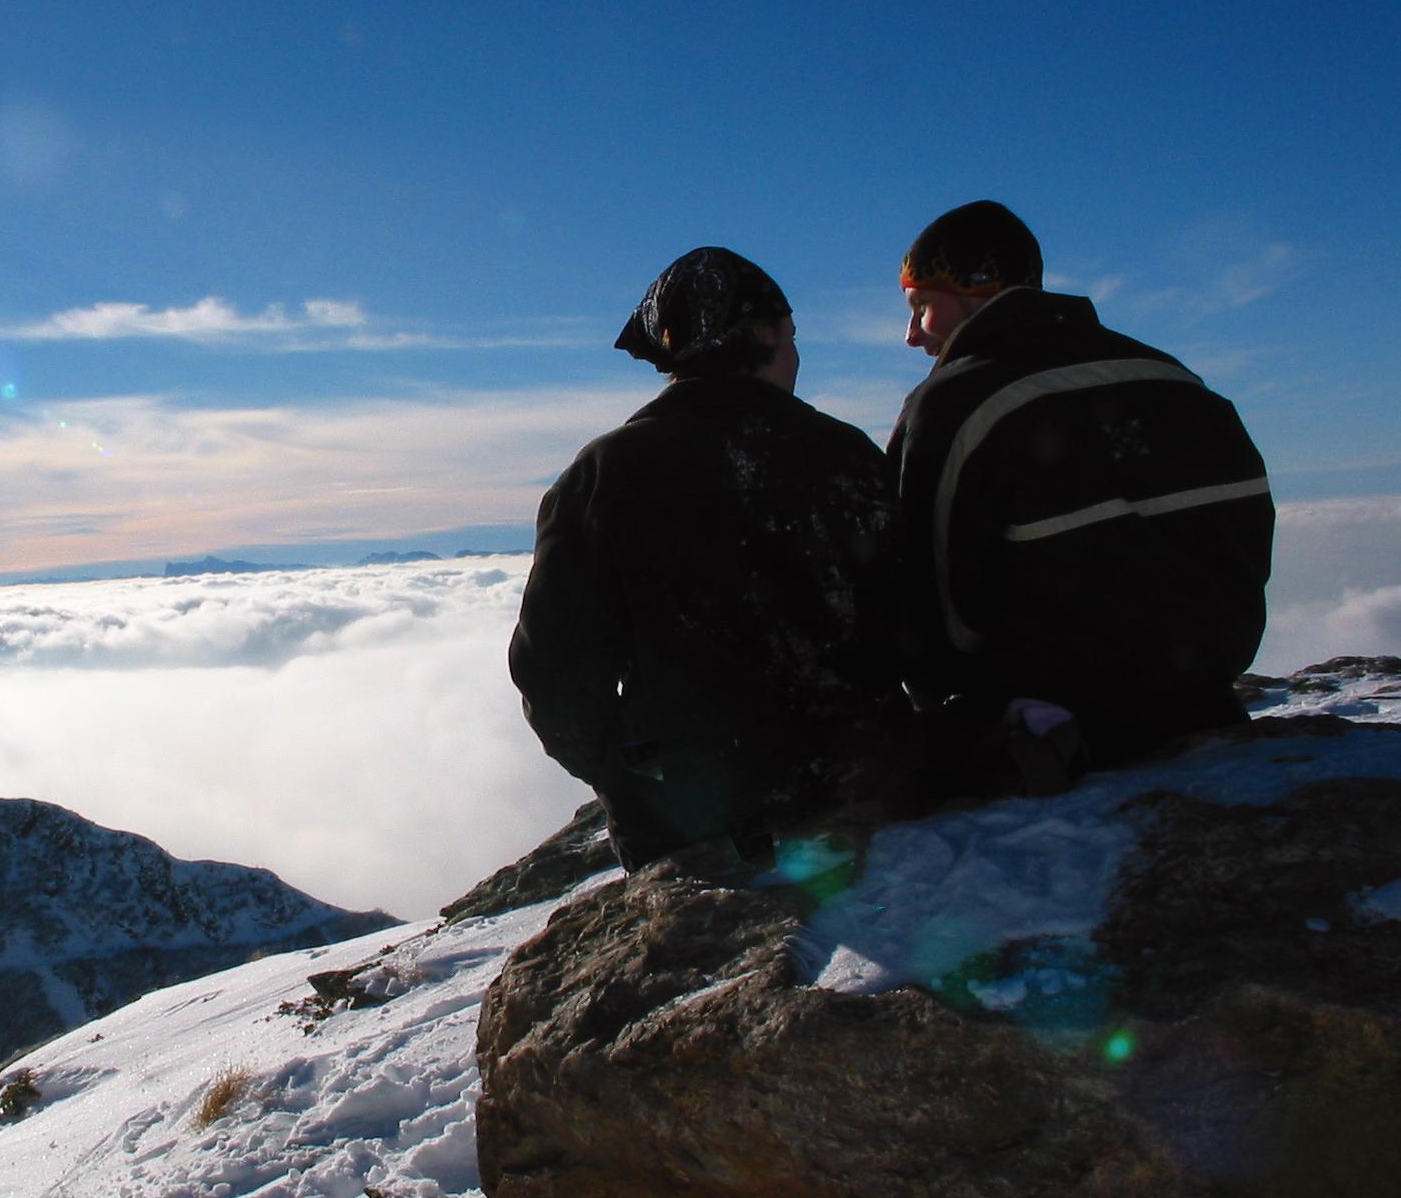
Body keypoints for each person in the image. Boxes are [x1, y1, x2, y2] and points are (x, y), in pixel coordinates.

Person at [509, 247, 899, 871]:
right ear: (764, 334)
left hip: (691, 832)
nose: (796, 354)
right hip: (874, 805)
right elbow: (918, 620)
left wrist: (636, 779)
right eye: (791, 335)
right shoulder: (848, 458)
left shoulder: (602, 477)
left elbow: (554, 678)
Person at [888, 200, 1274, 778]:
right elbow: (1242, 539)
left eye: (921, 307)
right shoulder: (1172, 376)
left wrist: (949, 695)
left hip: (1053, 729)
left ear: (976, 287)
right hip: (1204, 695)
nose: (913, 335)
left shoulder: (952, 403)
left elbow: (923, 583)